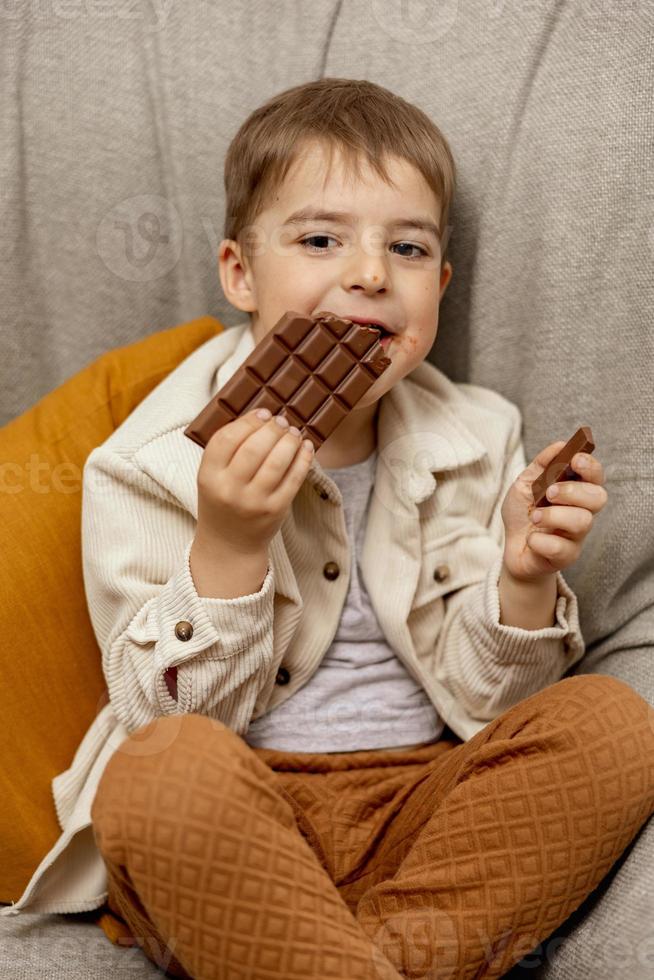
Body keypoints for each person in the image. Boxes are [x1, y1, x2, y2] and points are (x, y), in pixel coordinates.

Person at [3, 78, 652, 980]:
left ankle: (353, 960)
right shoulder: (148, 462)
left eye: (409, 247)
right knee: (157, 772)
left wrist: (523, 577)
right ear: (239, 272)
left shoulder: (480, 437)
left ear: (442, 286)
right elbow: (166, 715)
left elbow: (497, 708)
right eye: (319, 239)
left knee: (614, 722)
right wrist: (228, 543)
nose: (371, 273)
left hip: (425, 813)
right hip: (236, 823)